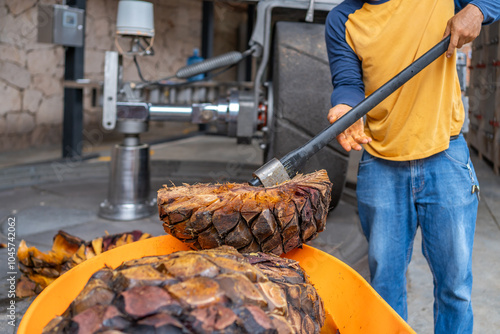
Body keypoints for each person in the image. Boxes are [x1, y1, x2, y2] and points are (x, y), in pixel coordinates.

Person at [325, 1, 500, 333]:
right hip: (381, 164)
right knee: (385, 288)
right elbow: (348, 81)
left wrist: (478, 9)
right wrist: (345, 106)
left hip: (445, 156)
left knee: (455, 288)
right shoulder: (342, 19)